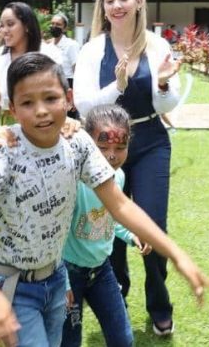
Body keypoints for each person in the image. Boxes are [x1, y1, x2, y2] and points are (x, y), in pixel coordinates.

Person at [0, 53, 209, 347]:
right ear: (12, 108)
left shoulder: (79, 143)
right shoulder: (2, 151)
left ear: (68, 97)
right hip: (12, 286)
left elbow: (119, 204)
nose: (42, 111)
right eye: (27, 103)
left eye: (50, 98)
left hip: (56, 279)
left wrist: (176, 253)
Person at [73, 0, 182, 336]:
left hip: (149, 138)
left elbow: (168, 102)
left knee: (152, 226)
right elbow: (84, 104)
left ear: (138, 1)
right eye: (109, 0)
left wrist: (164, 83)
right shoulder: (92, 50)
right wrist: (115, 87)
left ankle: (159, 304)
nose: (116, 6)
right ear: (103, 8)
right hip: (105, 143)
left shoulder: (156, 45)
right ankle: (116, 300)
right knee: (109, 226)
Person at [61, 104, 150, 347]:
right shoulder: (72, 178)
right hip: (69, 273)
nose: (112, 155)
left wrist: (132, 234)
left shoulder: (118, 177)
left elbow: (111, 217)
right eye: (102, 147)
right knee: (69, 341)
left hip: (102, 271)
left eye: (120, 147)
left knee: (123, 339)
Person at [0, 2, 64, 123]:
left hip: (45, 123)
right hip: (7, 128)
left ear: (27, 25)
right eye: (2, 25)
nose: (5, 30)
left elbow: (59, 94)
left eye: (10, 24)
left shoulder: (49, 54)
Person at [46, 13, 81, 87]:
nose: (54, 26)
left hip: (67, 83)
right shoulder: (49, 46)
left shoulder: (71, 45)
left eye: (58, 24)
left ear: (65, 28)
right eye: (52, 24)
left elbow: (77, 69)